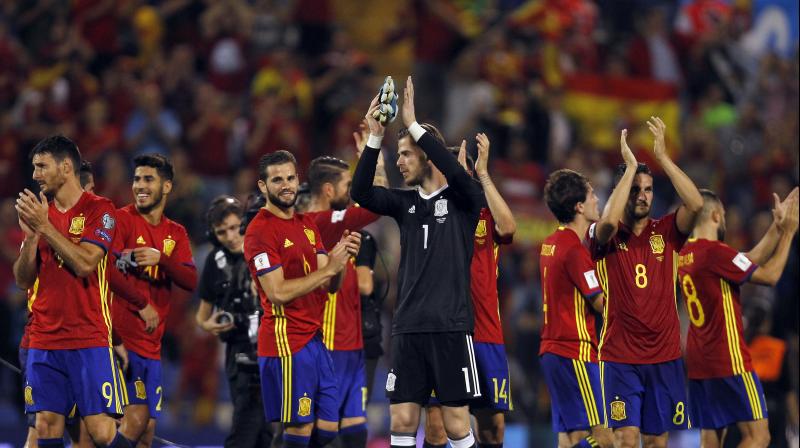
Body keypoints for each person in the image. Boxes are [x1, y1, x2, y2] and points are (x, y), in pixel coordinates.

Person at [351, 76, 485, 448]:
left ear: (427, 155)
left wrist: (413, 125)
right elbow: (361, 192)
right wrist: (376, 136)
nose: (399, 162)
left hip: (450, 327)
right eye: (398, 154)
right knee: (403, 420)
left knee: (456, 425)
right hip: (408, 327)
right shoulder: (404, 204)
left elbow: (455, 173)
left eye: (406, 153)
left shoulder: (464, 200)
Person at [587, 118, 703, 448]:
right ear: (622, 190)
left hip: (664, 356)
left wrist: (663, 158)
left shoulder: (667, 231)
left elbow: (696, 204)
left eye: (648, 190)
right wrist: (629, 170)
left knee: (655, 441)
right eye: (635, 189)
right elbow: (607, 223)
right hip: (620, 356)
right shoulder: (604, 235)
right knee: (624, 439)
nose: (642, 196)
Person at [13, 135, 132, 446]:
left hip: (88, 338)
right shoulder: (40, 212)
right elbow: (23, 280)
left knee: (101, 431)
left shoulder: (100, 210)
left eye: (42, 166)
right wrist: (31, 239)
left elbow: (86, 263)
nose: (35, 174)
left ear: (66, 167)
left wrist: (45, 228)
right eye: (34, 167)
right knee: (44, 425)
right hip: (43, 339)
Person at [243, 150, 361, 448]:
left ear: (298, 180)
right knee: (300, 428)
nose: (286, 185)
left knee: (328, 429)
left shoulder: (307, 224)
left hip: (314, 339)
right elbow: (277, 292)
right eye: (277, 180)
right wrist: (330, 268)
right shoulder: (259, 231)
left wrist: (342, 259)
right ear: (262, 186)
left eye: (290, 178)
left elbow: (330, 284)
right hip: (286, 340)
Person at [537, 131, 639, 448]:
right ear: (579, 206)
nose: (597, 200)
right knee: (603, 437)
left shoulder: (550, 244)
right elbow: (600, 303)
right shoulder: (574, 250)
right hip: (575, 351)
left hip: (552, 352)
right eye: (593, 194)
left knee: (570, 436)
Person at [678, 187, 799, 448]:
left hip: (699, 360)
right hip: (728, 357)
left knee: (711, 439)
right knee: (758, 436)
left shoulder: (687, 255)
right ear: (715, 216)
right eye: (723, 214)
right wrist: (789, 232)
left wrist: (777, 226)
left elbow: (750, 259)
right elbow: (770, 276)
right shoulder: (716, 253)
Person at [424, 135, 517, 448]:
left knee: (492, 429)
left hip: (484, 332)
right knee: (436, 428)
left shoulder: (485, 214)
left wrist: (484, 175)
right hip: (442, 333)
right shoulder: (428, 212)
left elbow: (509, 228)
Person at [111, 154, 197, 446]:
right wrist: (141, 304)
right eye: (137, 179)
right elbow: (106, 271)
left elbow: (190, 280)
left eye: (148, 179)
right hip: (122, 341)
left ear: (167, 186)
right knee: (133, 420)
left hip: (152, 345)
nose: (140, 186)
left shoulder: (176, 233)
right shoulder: (121, 220)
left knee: (146, 432)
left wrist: (162, 259)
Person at [304, 153, 386, 448]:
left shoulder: (338, 228)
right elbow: (377, 204)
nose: (352, 193)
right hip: (328, 344)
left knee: (354, 429)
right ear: (328, 190)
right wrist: (376, 159)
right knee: (323, 431)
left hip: (351, 344)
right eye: (347, 186)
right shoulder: (318, 223)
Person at [196, 195, 275, 447]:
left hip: (272, 346)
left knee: (258, 429)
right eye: (222, 232)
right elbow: (202, 315)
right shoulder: (215, 261)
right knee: (253, 425)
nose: (230, 236)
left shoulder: (265, 251)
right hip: (238, 352)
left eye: (234, 227)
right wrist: (209, 325)